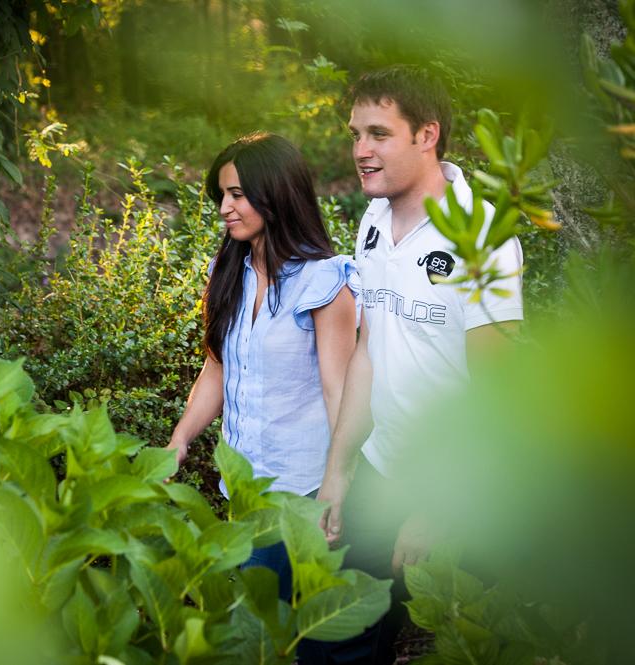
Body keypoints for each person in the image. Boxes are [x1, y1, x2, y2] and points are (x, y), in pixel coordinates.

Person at [316, 65, 525, 664]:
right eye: (355, 134)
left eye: (378, 134)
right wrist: (340, 468)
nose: (361, 150)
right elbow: (367, 353)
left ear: (427, 134)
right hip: (381, 476)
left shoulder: (483, 234)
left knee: (463, 648)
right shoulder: (373, 222)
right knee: (345, 644)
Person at [166, 131, 359, 604]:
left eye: (237, 195)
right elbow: (217, 369)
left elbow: (342, 394)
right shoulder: (229, 271)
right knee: (258, 623)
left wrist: (338, 485)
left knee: (293, 628)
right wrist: (180, 439)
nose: (224, 209)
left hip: (302, 491)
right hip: (244, 489)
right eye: (222, 196)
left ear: (276, 195)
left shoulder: (324, 282)